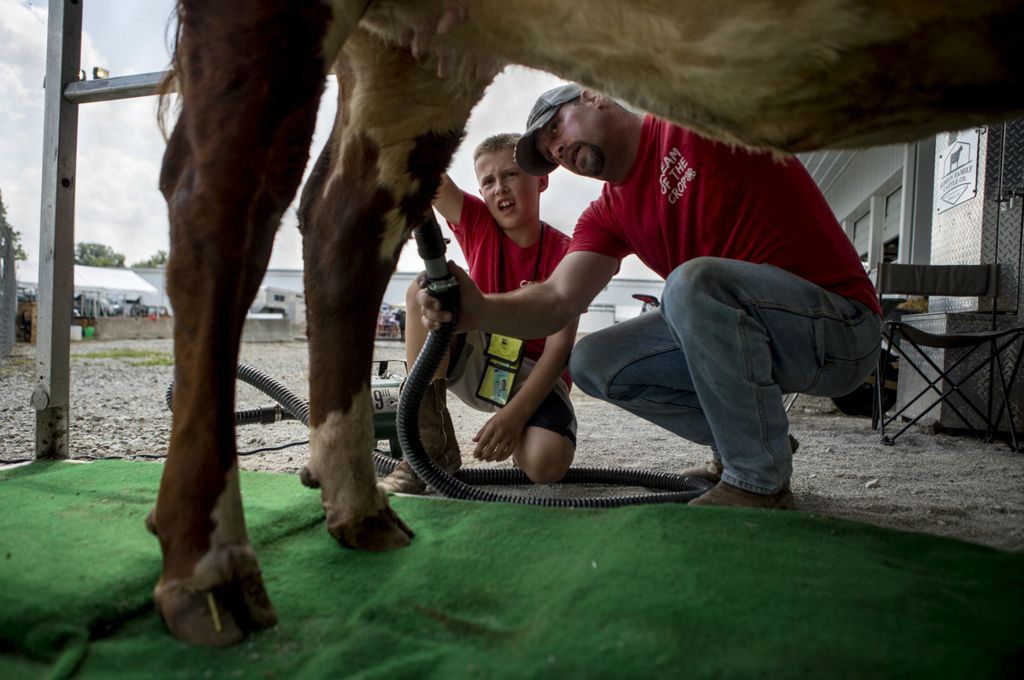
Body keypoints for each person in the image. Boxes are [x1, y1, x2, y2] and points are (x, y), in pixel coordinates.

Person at [418, 84, 882, 509]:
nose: (557, 148)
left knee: (689, 283)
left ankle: (757, 480)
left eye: (556, 127)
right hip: (757, 335)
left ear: (594, 96)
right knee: (594, 361)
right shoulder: (607, 215)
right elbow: (558, 298)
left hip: (839, 328)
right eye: (549, 151)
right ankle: (750, 443)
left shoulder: (691, 117)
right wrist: (479, 309)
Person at [380, 133, 579, 495]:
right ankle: (430, 446)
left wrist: (514, 415)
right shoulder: (476, 222)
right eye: (488, 181)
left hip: (533, 376)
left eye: (511, 175)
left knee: (547, 464)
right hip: (478, 359)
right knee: (426, 290)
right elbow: (427, 168)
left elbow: (559, 348)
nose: (499, 188)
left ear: (541, 179)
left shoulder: (567, 252)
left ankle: (524, 437)